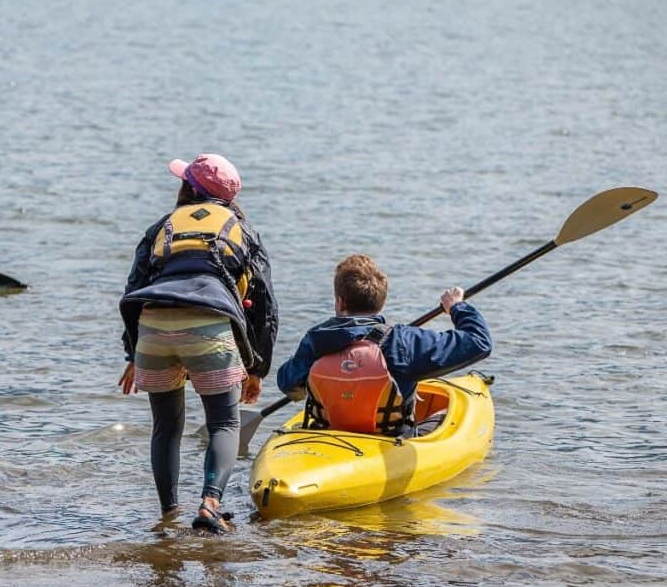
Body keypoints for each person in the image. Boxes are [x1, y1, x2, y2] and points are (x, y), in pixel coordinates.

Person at [119, 153, 278, 534]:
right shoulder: (243, 230)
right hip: (210, 327)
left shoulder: (161, 227)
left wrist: (132, 352)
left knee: (166, 427)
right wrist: (256, 367)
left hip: (153, 328)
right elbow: (265, 306)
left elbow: (134, 288)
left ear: (189, 188)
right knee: (224, 421)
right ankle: (210, 504)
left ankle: (168, 515)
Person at [276, 254, 492, 436]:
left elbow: (289, 386)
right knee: (446, 413)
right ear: (381, 302)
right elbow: (479, 341)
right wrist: (456, 307)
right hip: (389, 442)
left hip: (331, 437)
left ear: (340, 302)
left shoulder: (317, 339)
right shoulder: (403, 342)